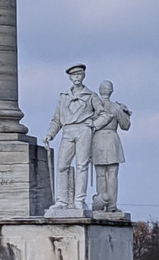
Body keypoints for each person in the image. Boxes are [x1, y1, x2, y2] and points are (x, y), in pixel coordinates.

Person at [43, 63, 109, 213]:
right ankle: (61, 200)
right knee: (61, 166)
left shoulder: (91, 95)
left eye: (79, 74)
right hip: (67, 130)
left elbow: (105, 115)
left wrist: (93, 124)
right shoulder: (64, 97)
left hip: (83, 129)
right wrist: (50, 134)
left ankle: (79, 200)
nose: (76, 77)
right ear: (70, 77)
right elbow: (56, 119)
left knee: (82, 165)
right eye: (73, 75)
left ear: (83, 75)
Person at [91, 80, 131, 213]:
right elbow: (125, 126)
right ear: (111, 91)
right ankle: (112, 205)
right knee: (112, 175)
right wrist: (125, 113)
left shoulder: (93, 107)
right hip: (112, 140)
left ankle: (101, 204)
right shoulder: (116, 107)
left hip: (97, 140)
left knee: (100, 175)